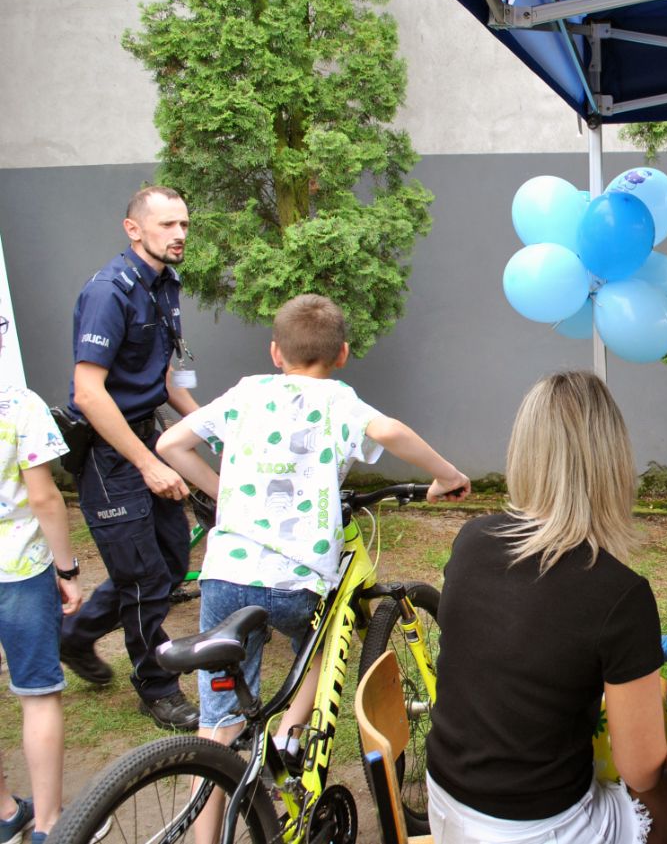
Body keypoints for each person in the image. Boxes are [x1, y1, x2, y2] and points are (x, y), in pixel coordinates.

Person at [156, 293, 470, 842]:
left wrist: (224, 498)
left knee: (218, 722)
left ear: (275, 352)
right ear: (342, 353)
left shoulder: (248, 392)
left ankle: (205, 836)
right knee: (326, 649)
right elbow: (390, 432)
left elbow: (171, 443)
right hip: (296, 576)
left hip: (226, 572)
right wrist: (445, 474)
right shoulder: (338, 400)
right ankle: (287, 742)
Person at [426, 370, 667, 844]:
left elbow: (525, 639)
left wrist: (630, 657)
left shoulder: (470, 541)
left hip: (447, 805)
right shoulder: (619, 592)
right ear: (612, 463)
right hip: (539, 829)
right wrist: (641, 677)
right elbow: (643, 772)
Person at [59, 185, 202, 730]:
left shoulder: (166, 283)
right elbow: (90, 393)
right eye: (168, 226)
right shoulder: (108, 292)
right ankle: (157, 685)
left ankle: (73, 634)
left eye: (184, 225)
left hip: (150, 437)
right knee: (142, 576)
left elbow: (163, 378)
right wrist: (147, 463)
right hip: (110, 452)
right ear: (134, 229)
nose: (180, 235)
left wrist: (210, 426)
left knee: (165, 563)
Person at [0, 307, 105, 843]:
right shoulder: (19, 405)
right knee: (38, 695)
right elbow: (42, 496)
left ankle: (2, 811)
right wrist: (67, 567)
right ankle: (48, 824)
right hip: (18, 568)